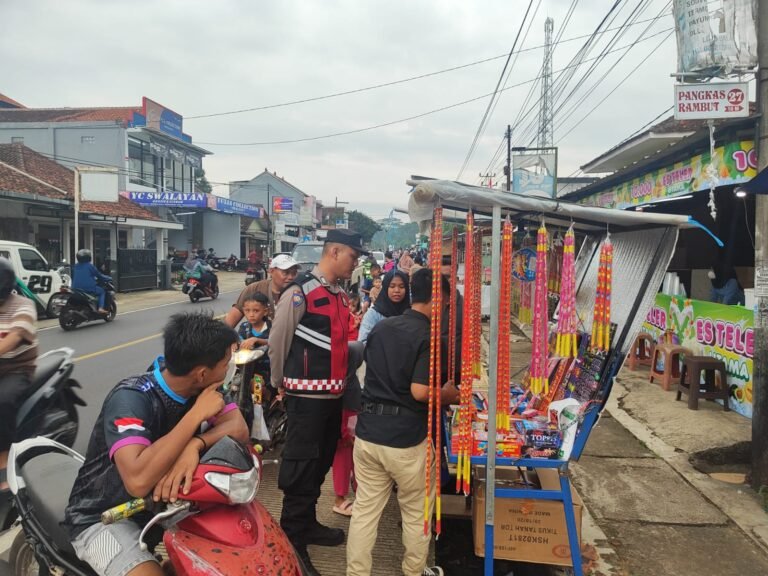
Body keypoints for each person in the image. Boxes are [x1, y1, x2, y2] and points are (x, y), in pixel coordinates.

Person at [64, 312, 248, 576]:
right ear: (201, 373)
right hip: (101, 517)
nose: (228, 368)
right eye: (225, 363)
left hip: (161, 509)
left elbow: (238, 427)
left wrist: (195, 444)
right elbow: (137, 480)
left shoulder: (205, 389)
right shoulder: (132, 398)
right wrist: (196, 416)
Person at [346, 269, 458, 576]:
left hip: (369, 434)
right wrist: (448, 395)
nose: (446, 311)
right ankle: (414, 571)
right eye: (446, 304)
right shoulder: (430, 337)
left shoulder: (381, 327)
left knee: (365, 513)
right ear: (439, 299)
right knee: (415, 512)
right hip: (406, 440)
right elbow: (420, 392)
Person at [268, 228, 366, 575]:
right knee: (300, 467)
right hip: (305, 399)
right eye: (353, 257)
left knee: (320, 462)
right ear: (335, 252)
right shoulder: (300, 293)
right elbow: (277, 341)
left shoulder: (339, 295)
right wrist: (278, 384)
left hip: (332, 398)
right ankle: (292, 538)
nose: (355, 264)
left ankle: (307, 523)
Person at [0, 258, 37, 490]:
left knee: (2, 401)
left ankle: (4, 458)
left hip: (17, 369)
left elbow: (14, 337)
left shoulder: (22, 305)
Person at [225, 253, 299, 327]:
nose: (291, 277)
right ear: (271, 271)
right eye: (286, 273)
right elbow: (232, 318)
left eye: (294, 273)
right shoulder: (254, 289)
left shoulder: (299, 293)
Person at [358, 270, 410, 343]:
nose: (397, 290)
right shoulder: (373, 315)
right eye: (392, 286)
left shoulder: (411, 313)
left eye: (401, 287)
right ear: (385, 288)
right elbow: (363, 343)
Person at [72, 249, 112, 314]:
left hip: (75, 288)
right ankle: (100, 308)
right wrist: (109, 278)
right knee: (102, 291)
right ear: (88, 257)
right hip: (88, 288)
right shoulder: (90, 266)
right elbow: (99, 276)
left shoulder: (75, 266)